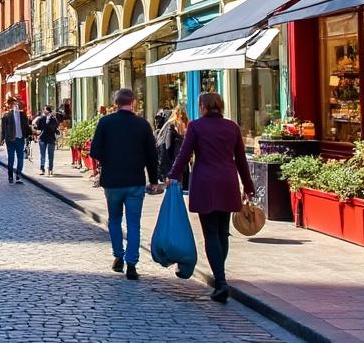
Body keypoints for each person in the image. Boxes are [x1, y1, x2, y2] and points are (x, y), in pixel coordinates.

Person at [167, 92, 256, 303]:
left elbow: (184, 153)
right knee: (223, 232)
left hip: (205, 182)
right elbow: (241, 160)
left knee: (211, 234)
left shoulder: (196, 126)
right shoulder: (232, 127)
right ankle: (220, 276)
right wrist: (249, 186)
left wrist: (173, 175)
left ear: (202, 107)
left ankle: (221, 281)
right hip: (227, 181)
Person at [88, 88, 160, 281]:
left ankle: (118, 257)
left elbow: (94, 151)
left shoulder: (106, 122)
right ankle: (132, 264)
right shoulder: (142, 125)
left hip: (112, 181)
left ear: (115, 104)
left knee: (114, 220)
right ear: (133, 102)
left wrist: (110, 158)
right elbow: (152, 156)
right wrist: (153, 180)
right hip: (135, 181)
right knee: (134, 223)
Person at [0, 97, 33, 184]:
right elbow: (3, 129)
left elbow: (26, 126)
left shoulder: (22, 115)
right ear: (11, 106)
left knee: (20, 157)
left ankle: (18, 175)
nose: (16, 106)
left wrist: (30, 135)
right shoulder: (6, 116)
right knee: (11, 158)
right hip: (10, 140)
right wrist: (1, 139)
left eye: (17, 104)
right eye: (14, 104)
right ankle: (10, 176)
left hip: (20, 139)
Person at [156, 105, 189, 182]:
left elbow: (168, 146)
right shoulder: (173, 124)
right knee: (178, 185)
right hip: (177, 160)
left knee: (174, 185)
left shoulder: (170, 123)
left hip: (173, 160)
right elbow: (168, 145)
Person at [33, 106, 61, 177]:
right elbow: (37, 127)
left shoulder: (53, 119)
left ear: (48, 111)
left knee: (51, 155)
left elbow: (55, 128)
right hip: (42, 139)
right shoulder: (41, 119)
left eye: (44, 110)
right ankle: (42, 169)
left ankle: (50, 169)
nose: (43, 111)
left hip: (51, 138)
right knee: (42, 154)